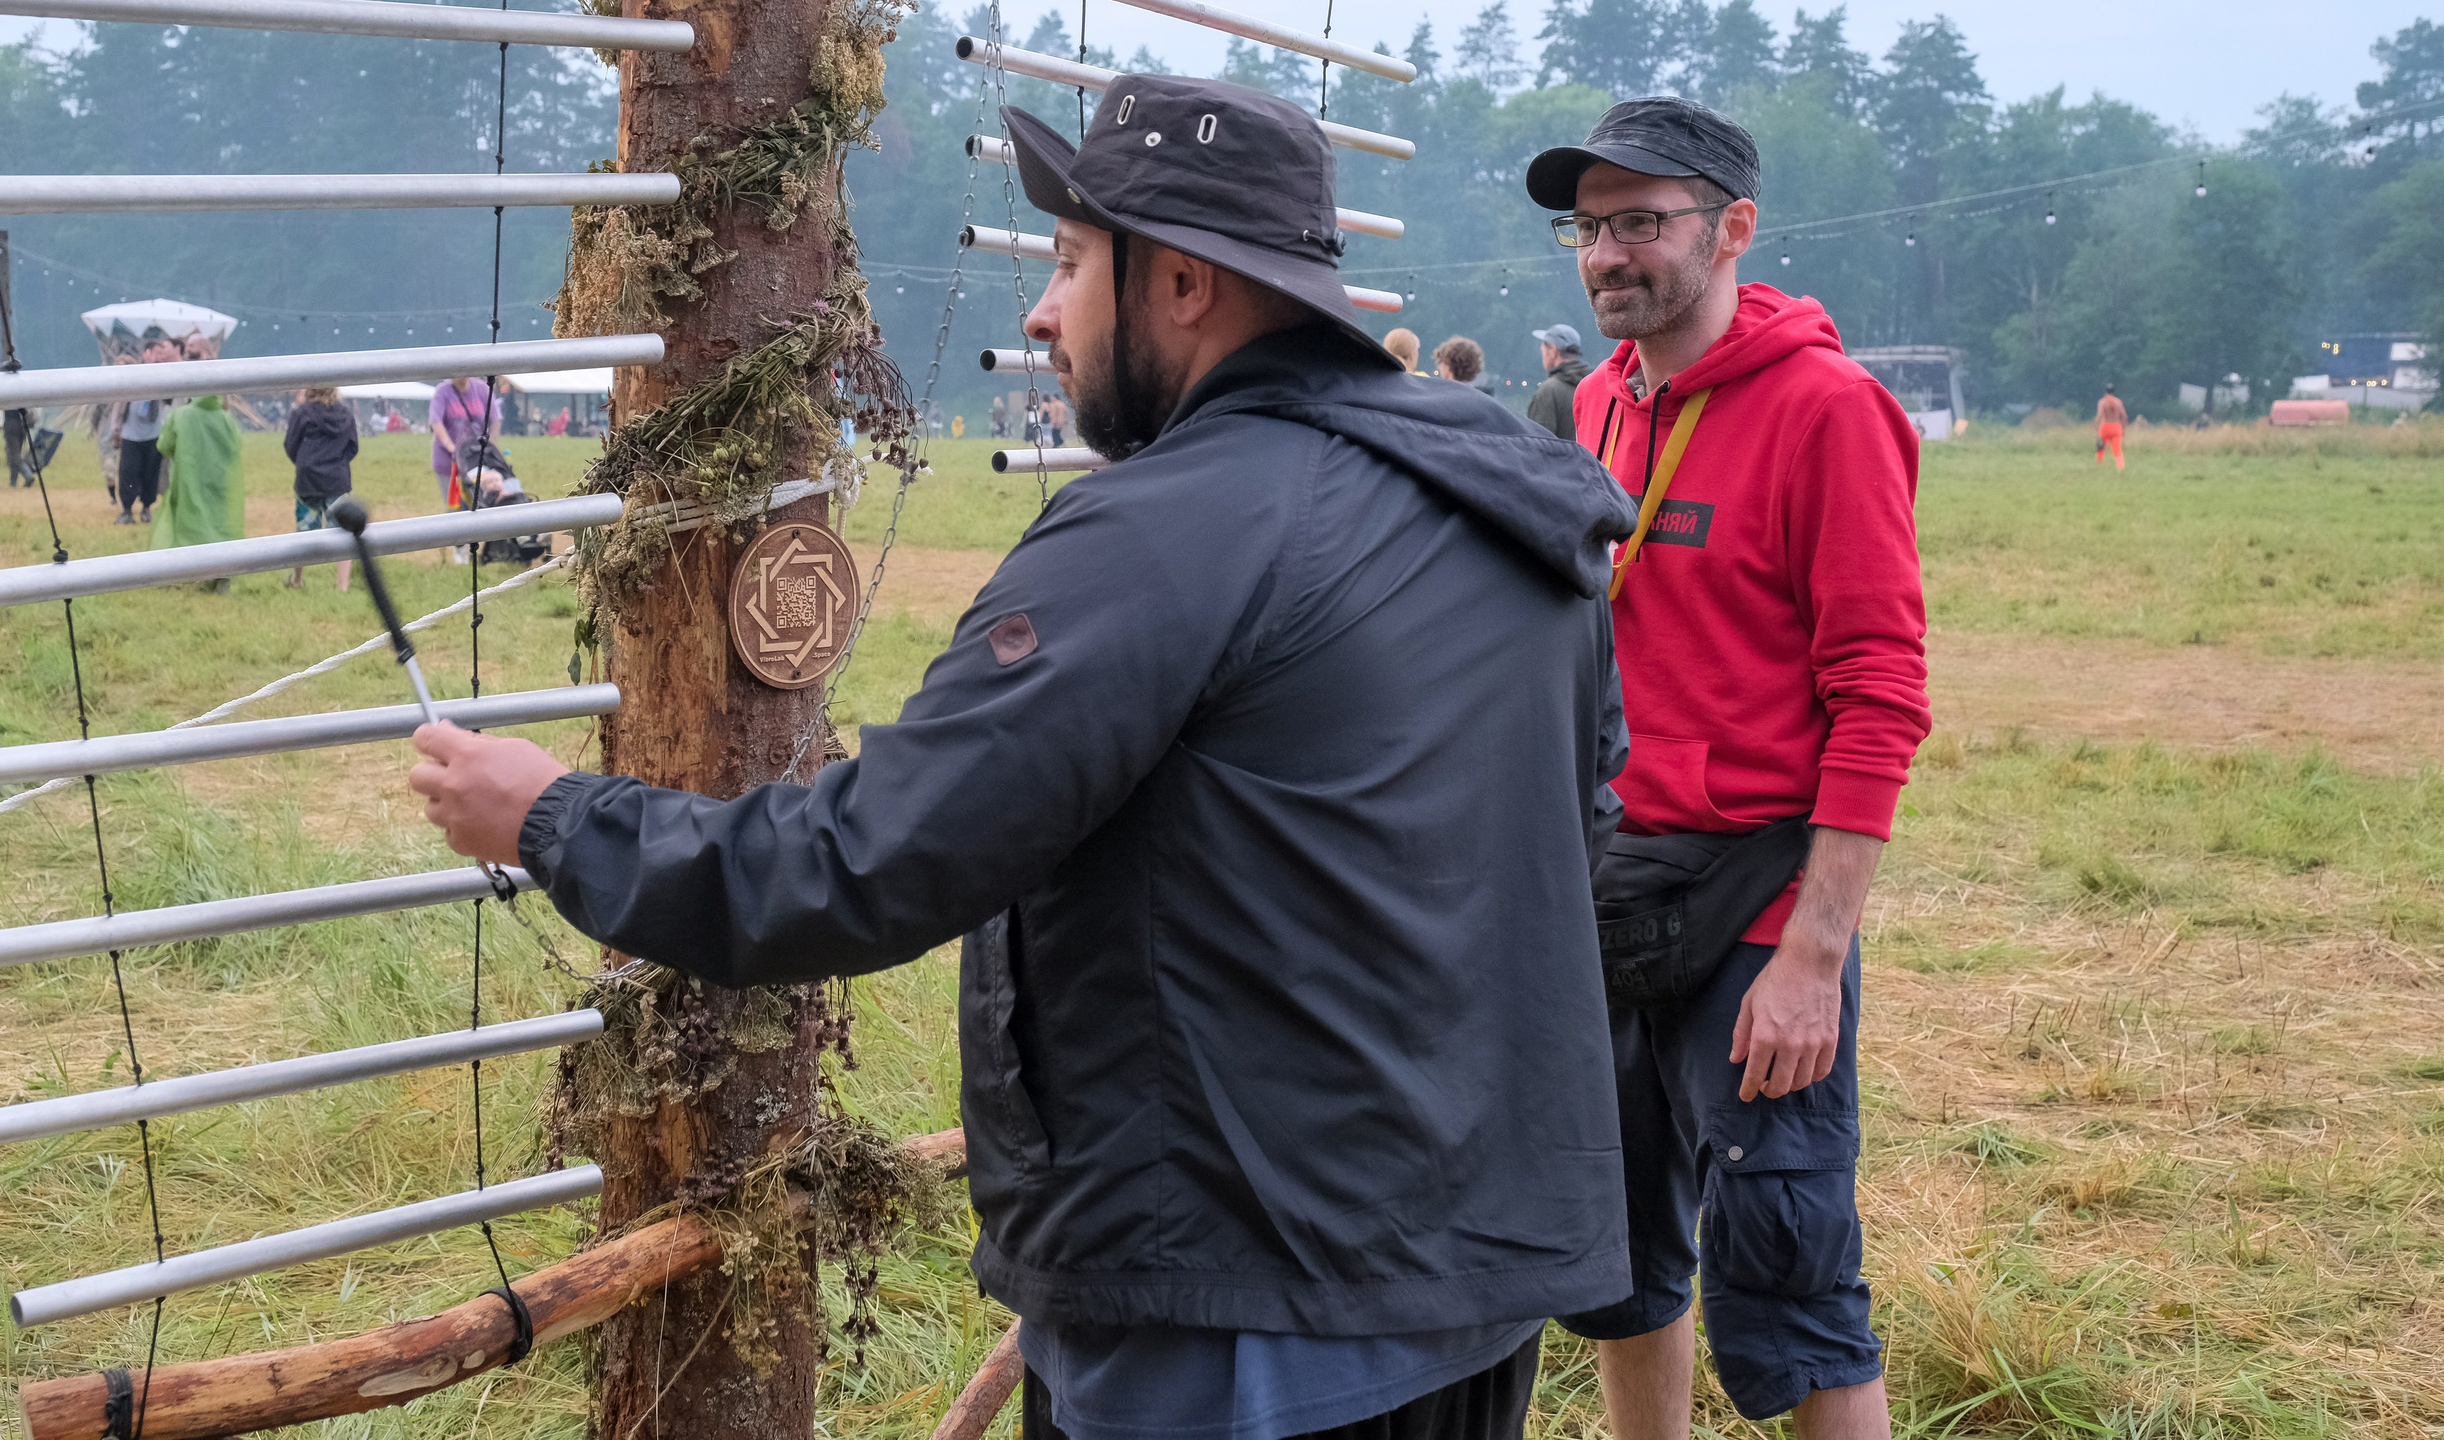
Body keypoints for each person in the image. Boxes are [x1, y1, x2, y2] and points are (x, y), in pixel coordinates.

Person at [406, 75, 1644, 1440]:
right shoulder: (1507, 509)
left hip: (1240, 1316)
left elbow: (869, 857)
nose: (1042, 310)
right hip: (1462, 1284)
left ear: (1180, 282)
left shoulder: (1164, 531)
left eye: (1067, 261)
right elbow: (1578, 827)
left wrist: (553, 815)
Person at [1527, 97, 1927, 1438]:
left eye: (1642, 221)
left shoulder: (1831, 410)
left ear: (1734, 227)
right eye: (1590, 227)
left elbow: (1880, 698)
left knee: (1791, 1261)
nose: (1606, 254)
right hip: (1612, 890)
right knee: (1619, 1259)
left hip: (1761, 907)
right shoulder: (1595, 402)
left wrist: (1813, 955)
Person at [152, 388, 246, 582]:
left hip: (188, 481)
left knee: (187, 525)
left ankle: (184, 571)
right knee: (218, 524)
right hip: (220, 482)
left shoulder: (180, 415)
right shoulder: (226, 419)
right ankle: (222, 572)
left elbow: (164, 445)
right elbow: (236, 445)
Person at [282, 385, 358, 591]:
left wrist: (305, 463)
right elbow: (353, 446)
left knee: (304, 531)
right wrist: (338, 464)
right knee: (343, 532)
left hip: (308, 480)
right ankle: (342, 585)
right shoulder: (346, 414)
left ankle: (297, 579)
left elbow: (290, 445)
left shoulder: (301, 413)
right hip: (337, 480)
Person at [110, 341, 179, 525]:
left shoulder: (164, 375)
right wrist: (115, 425)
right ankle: (126, 510)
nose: (160, 356)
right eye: (157, 352)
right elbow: (120, 398)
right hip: (130, 433)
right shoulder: (134, 373)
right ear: (146, 353)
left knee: (151, 473)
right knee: (127, 472)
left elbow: (169, 397)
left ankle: (147, 508)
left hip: (153, 433)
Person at [429, 375, 494, 508]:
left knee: (481, 502)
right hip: (449, 460)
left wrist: (490, 447)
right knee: (455, 506)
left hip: (476, 458)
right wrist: (452, 447)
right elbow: (436, 422)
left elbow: (495, 418)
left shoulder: (481, 388)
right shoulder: (442, 391)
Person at [1528, 324, 1593, 439]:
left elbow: (1537, 443)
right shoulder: (1595, 384)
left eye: (1543, 349)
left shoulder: (1548, 390)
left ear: (1553, 350)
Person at [2096, 385, 2127, 470]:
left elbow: (2100, 415)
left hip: (2105, 426)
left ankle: (2098, 464)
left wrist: (2096, 427)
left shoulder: (2102, 402)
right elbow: (2124, 416)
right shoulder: (2119, 402)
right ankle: (2121, 467)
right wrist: (2123, 428)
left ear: (2105, 391)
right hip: (2116, 427)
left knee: (2100, 447)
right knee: (2118, 450)